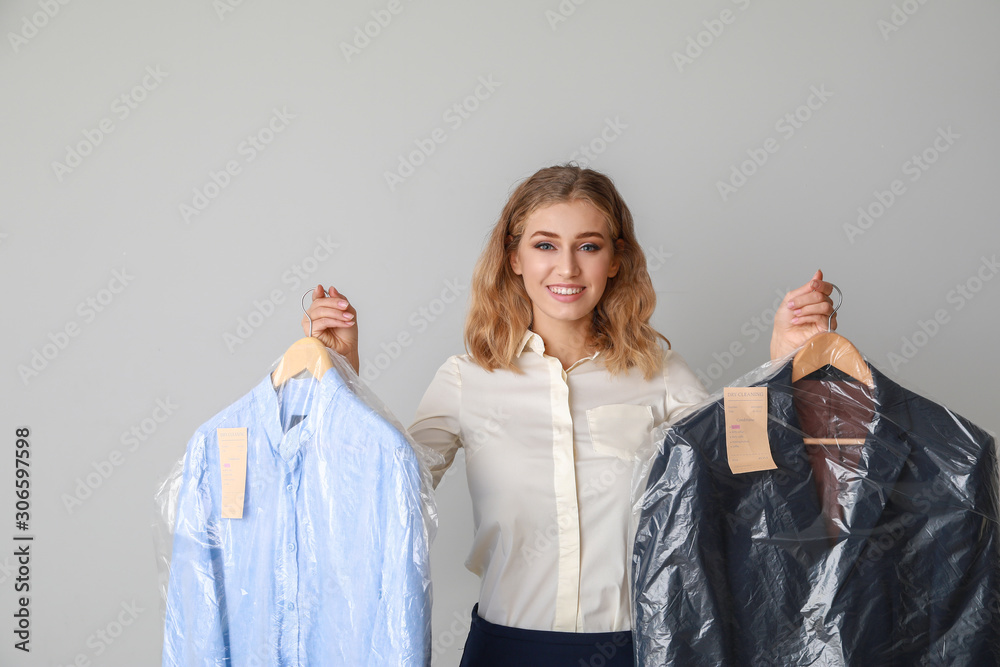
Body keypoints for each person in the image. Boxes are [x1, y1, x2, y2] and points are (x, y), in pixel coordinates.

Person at [301, 165, 836, 666]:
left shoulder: (661, 372)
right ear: (514, 258)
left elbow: (747, 483)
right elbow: (388, 491)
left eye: (588, 246)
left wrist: (784, 365)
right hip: (505, 648)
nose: (567, 268)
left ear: (615, 259)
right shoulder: (466, 378)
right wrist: (341, 380)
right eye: (545, 245)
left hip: (640, 646)